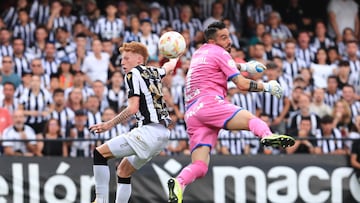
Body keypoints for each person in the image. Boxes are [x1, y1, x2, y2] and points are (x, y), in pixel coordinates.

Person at [166, 21, 295, 203]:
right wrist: (267, 86)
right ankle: (266, 135)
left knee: (200, 166)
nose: (229, 41)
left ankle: (178, 182)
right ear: (212, 41)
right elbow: (241, 84)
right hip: (210, 103)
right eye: (223, 37)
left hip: (193, 114)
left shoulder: (199, 53)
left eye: (229, 36)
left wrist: (246, 67)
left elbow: (221, 64)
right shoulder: (219, 52)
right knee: (250, 119)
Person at [89, 41, 178, 203]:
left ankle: (100, 200)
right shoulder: (154, 71)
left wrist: (108, 124)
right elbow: (169, 67)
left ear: (139, 59)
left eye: (126, 58)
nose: (122, 62)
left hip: (148, 132)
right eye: (122, 59)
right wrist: (176, 54)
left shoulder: (132, 74)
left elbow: (132, 108)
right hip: (163, 135)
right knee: (123, 171)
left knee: (99, 153)